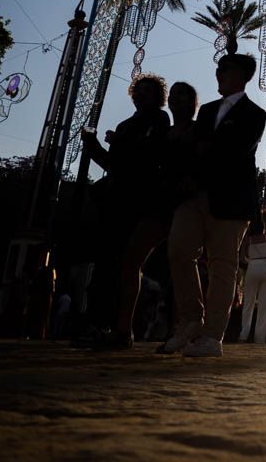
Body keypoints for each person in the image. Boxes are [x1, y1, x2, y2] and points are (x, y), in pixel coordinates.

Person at [163, 53, 266, 357]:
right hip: (195, 195)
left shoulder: (255, 113)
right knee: (179, 250)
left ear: (241, 75)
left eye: (225, 69)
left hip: (232, 200)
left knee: (223, 265)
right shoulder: (208, 110)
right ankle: (191, 319)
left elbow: (236, 150)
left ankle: (212, 335)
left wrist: (204, 148)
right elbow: (195, 148)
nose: (218, 74)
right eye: (218, 69)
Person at [80, 73, 172, 349]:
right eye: (138, 91)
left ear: (158, 97)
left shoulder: (159, 120)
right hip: (115, 202)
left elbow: (150, 155)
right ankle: (99, 324)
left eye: (147, 91)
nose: (141, 95)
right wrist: (93, 145)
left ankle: (120, 327)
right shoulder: (124, 126)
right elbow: (113, 165)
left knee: (127, 264)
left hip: (140, 202)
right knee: (106, 264)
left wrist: (119, 143)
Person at [237, 219, 266, 344]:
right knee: (265, 305)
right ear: (263, 228)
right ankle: (260, 338)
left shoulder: (248, 240)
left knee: (248, 303)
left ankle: (243, 335)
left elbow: (244, 257)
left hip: (253, 266)